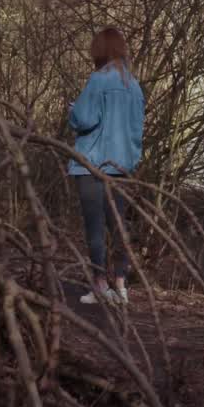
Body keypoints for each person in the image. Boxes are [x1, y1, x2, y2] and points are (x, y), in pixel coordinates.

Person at [67, 27, 144, 305]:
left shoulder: (98, 80)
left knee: (95, 226)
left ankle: (100, 285)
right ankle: (121, 285)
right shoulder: (133, 86)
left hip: (91, 163)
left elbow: (84, 119)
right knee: (119, 225)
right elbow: (137, 131)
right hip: (122, 166)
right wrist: (130, 160)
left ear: (99, 50)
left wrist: (73, 110)